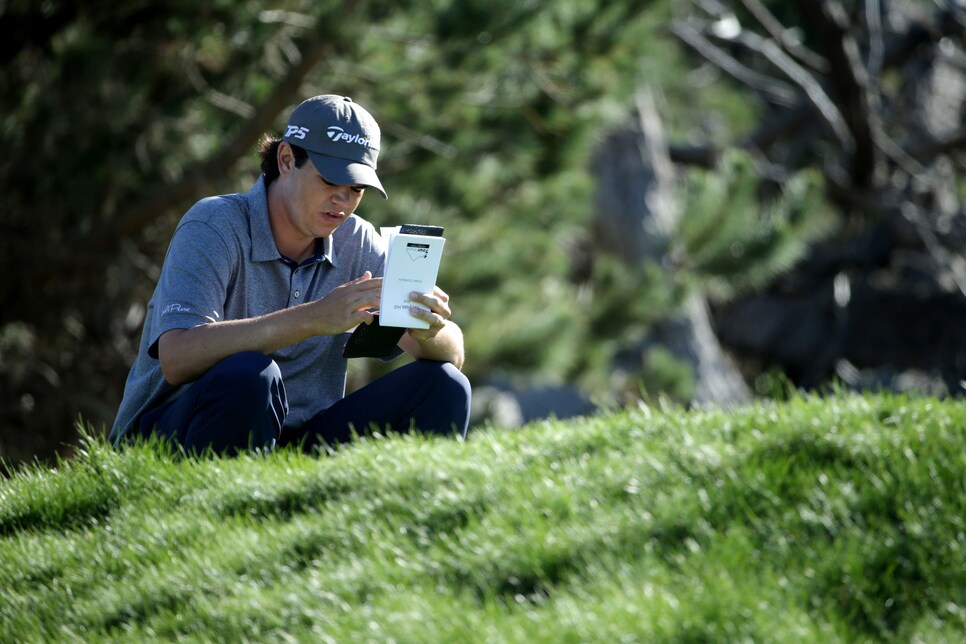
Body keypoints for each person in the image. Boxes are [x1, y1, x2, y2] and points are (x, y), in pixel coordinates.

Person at [110, 95, 471, 455]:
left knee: (444, 384)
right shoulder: (214, 224)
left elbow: (452, 356)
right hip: (170, 436)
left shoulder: (357, 239)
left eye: (356, 189)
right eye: (331, 181)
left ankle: (403, 511)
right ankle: (224, 509)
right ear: (286, 160)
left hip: (296, 445)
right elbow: (177, 357)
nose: (343, 201)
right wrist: (313, 318)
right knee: (251, 376)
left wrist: (430, 329)